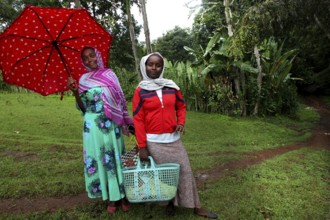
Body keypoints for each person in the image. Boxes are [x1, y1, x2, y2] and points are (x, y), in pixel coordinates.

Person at [132, 52, 218, 219]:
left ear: (162, 67)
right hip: (154, 142)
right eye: (151, 64)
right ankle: (169, 203)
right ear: (144, 66)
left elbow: (181, 107)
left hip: (173, 140)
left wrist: (181, 122)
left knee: (185, 171)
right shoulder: (140, 91)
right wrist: (142, 146)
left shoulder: (171, 86)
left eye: (158, 65)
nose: (154, 68)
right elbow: (138, 120)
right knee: (164, 175)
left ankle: (196, 206)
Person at [67, 46, 134, 214]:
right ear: (83, 62)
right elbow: (83, 108)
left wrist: (124, 119)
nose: (90, 60)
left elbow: (119, 99)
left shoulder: (109, 75)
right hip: (93, 125)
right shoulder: (82, 80)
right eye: (85, 58)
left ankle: (123, 195)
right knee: (101, 157)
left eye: (92, 56)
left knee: (116, 156)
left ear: (97, 56)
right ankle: (111, 197)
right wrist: (75, 93)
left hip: (111, 124)